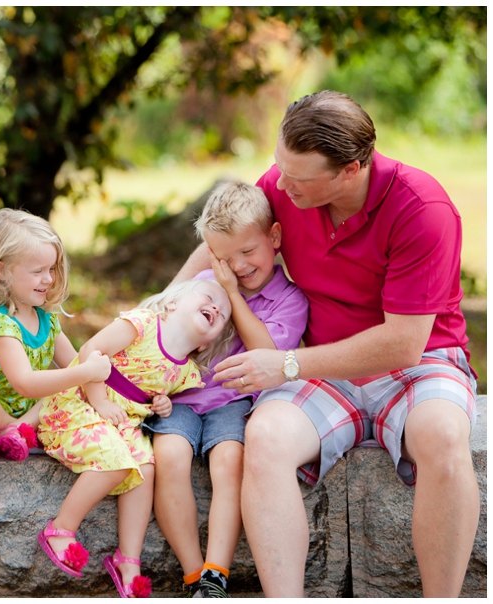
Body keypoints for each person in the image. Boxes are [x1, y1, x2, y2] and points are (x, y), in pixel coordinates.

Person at [174, 90, 478, 597]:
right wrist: (162, 305)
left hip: (418, 364)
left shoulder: (422, 208)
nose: (280, 184)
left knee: (445, 438)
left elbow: (404, 343)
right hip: (322, 366)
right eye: (279, 167)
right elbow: (220, 242)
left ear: (351, 170)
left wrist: (287, 364)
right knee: (265, 439)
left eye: (298, 177)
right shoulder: (284, 188)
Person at [146, 181, 308, 597]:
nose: (235, 266)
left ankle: (217, 572)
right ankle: (192, 571)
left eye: (246, 252)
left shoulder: (290, 300)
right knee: (169, 456)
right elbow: (162, 330)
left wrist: (232, 295)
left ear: (274, 237)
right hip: (179, 397)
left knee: (229, 462)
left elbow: (267, 355)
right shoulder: (203, 282)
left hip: (232, 401)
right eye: (223, 257)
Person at [37, 279, 236, 597]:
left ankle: (127, 559)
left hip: (123, 423)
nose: (216, 307)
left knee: (146, 467)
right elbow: (91, 351)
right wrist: (100, 401)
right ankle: (61, 528)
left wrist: (163, 402)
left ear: (206, 344)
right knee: (116, 458)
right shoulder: (141, 324)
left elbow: (151, 392)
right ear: (172, 304)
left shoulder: (185, 372)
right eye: (210, 297)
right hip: (82, 403)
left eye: (223, 314)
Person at [0, 208, 112, 461]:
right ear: (2, 270)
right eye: (37, 271)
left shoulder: (47, 321)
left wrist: (99, 379)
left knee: (68, 385)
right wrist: (87, 371)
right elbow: (25, 382)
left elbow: (75, 364)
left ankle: (16, 433)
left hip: (27, 411)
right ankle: (18, 431)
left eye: (51, 269)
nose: (48, 279)